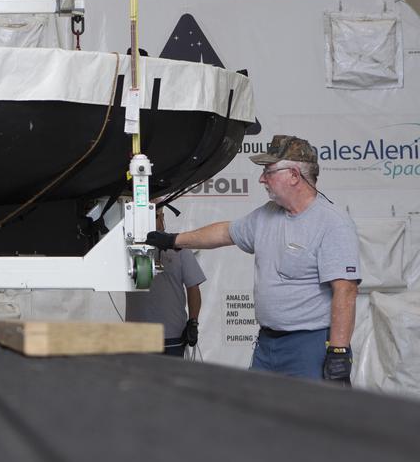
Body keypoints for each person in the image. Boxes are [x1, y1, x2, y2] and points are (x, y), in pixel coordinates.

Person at [145, 135, 359, 383]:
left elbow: (346, 291)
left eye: (268, 171)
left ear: (293, 175)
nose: (261, 178)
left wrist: (339, 351)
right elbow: (225, 232)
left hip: (310, 345)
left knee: (309, 418)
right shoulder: (266, 216)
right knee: (258, 413)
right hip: (268, 345)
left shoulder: (332, 222)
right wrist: (172, 240)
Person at [127, 205, 204, 358]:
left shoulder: (178, 246)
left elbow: (193, 287)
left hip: (172, 335)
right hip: (137, 336)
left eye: (157, 215)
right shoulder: (127, 246)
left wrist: (193, 322)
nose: (156, 219)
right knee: (137, 382)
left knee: (171, 381)